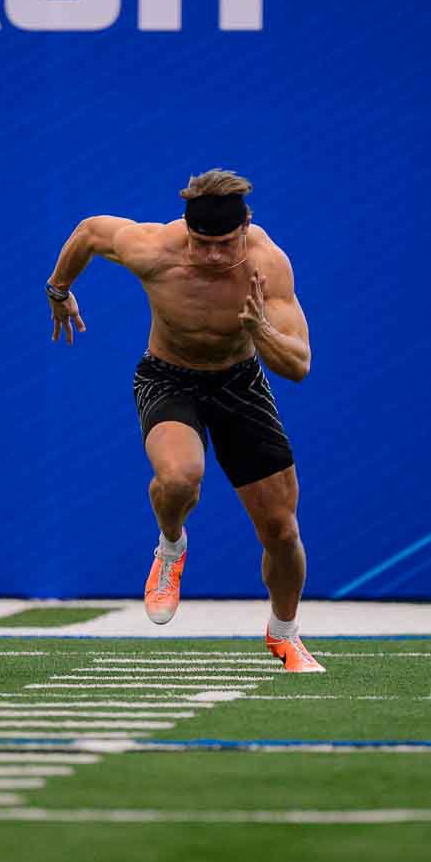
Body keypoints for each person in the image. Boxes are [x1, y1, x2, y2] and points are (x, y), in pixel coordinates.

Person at [45, 169, 325, 673]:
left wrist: (260, 330)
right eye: (203, 244)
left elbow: (299, 365)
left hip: (240, 383)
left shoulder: (267, 265)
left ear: (245, 229)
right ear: (186, 230)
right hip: (168, 378)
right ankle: (171, 545)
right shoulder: (154, 249)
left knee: (282, 532)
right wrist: (59, 289)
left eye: (225, 244)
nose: (215, 256)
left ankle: (284, 634)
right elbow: (89, 231)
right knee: (179, 478)